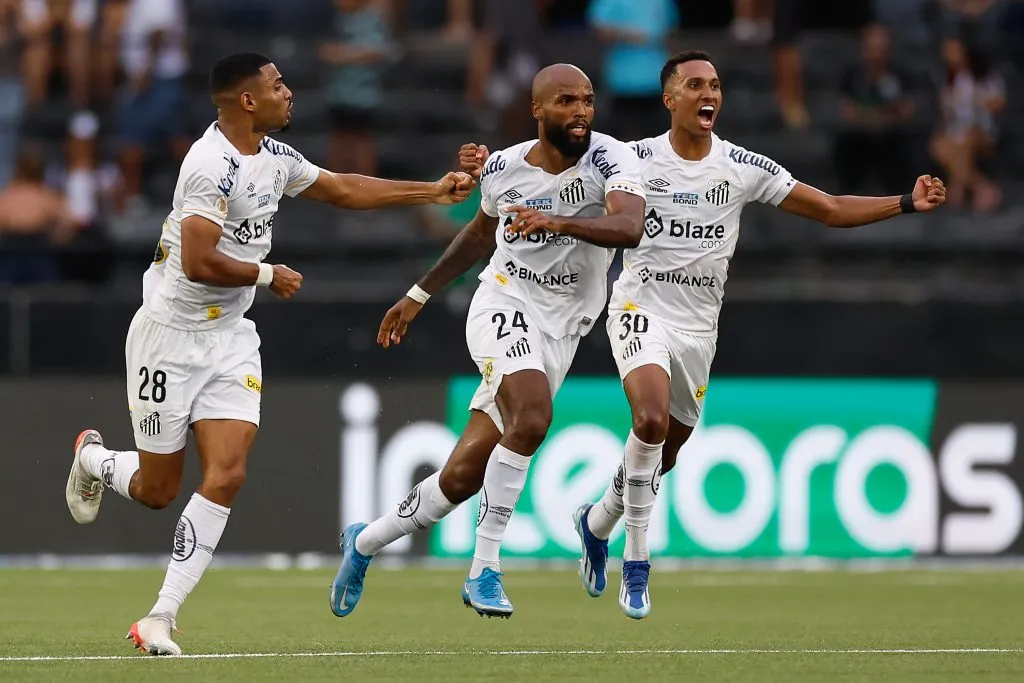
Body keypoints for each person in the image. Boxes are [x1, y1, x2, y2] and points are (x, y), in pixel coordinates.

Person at [458, 50, 948, 620]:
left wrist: (906, 203)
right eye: (694, 84)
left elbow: (832, 209)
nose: (707, 93)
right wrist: (488, 164)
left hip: (699, 327)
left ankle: (597, 523)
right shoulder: (630, 159)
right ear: (670, 99)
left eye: (715, 84)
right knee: (648, 419)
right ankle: (637, 567)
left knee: (663, 454)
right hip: (639, 308)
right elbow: (555, 159)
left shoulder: (742, 168)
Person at [63, 52, 473, 656]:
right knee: (157, 490)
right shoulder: (208, 166)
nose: (289, 93)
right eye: (278, 85)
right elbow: (199, 260)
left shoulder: (275, 157)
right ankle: (93, 459)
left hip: (231, 340)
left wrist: (430, 192)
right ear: (247, 100)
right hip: (169, 340)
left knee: (227, 474)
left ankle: (160, 618)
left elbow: (341, 188)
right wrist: (264, 273)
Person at [329, 63, 647, 620]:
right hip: (504, 305)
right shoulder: (502, 168)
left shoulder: (609, 159)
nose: (581, 112)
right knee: (531, 418)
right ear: (538, 110)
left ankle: (364, 542)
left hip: (562, 329)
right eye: (567, 101)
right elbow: (480, 233)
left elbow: (629, 227)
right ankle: (485, 570)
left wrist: (555, 222)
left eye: (588, 101)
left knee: (458, 478)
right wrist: (418, 293)